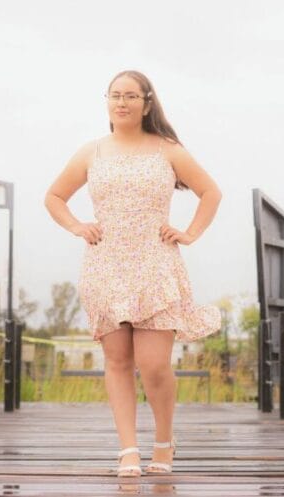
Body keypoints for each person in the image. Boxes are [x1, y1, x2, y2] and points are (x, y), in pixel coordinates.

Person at [44, 70, 223, 478]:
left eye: (130, 96)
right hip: (106, 265)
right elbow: (54, 196)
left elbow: (210, 192)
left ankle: (164, 441)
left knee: (154, 364)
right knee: (118, 360)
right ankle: (128, 449)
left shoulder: (167, 149)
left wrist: (190, 233)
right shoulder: (91, 152)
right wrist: (77, 226)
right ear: (107, 101)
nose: (121, 103)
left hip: (155, 266)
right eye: (115, 95)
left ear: (146, 103)